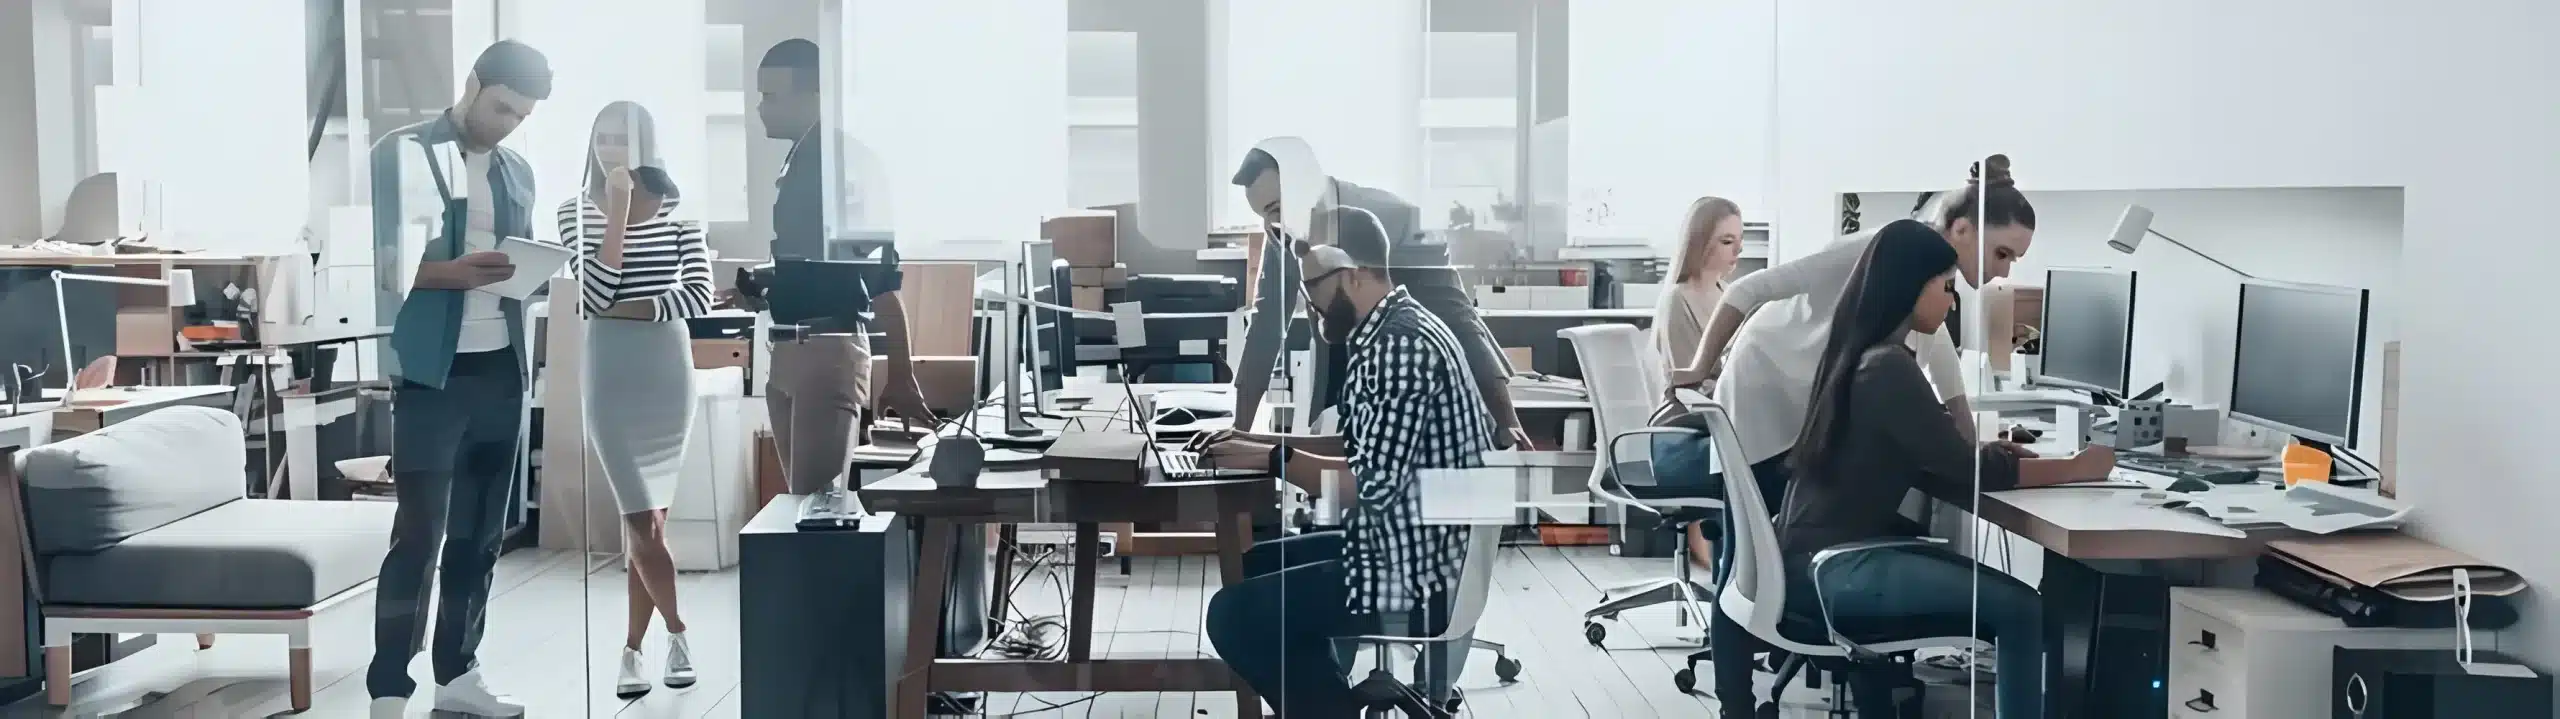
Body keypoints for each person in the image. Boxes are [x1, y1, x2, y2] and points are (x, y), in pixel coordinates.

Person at [1681, 155, 2039, 715]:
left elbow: (1945, 371)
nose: (2003, 272)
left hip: (1813, 409)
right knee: (1748, 563)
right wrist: (1699, 367)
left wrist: (1968, 450)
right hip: (1764, 394)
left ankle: (1869, 688)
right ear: (1962, 230)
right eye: (2001, 254)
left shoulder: (1924, 292)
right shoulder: (1881, 251)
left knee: (1815, 542)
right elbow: (1749, 290)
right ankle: (1735, 705)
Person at [1778, 219, 2112, 717]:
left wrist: (1997, 455)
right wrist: (2077, 467)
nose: (1952, 303)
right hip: (1839, 569)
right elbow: (1969, 472)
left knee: (2021, 606)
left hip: (1817, 561)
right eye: (1947, 288)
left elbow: (1935, 456)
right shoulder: (1888, 366)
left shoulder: (1863, 355)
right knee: (2023, 610)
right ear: (1911, 286)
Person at [1200, 207, 1495, 717]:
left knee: (1234, 614)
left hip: (1422, 575)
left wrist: (1271, 458)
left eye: (1313, 284)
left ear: (1354, 274)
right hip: (1416, 547)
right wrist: (1251, 440)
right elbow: (1361, 444)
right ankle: (1326, 702)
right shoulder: (1392, 329)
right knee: (1249, 567)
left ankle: (1327, 708)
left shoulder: (1400, 346)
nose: (1308, 300)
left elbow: (1365, 485)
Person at [364, 39, 551, 718]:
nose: (507, 125)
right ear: (472, 84)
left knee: (480, 537)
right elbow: (380, 266)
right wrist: (455, 274)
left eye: (520, 117)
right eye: (501, 107)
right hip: (430, 377)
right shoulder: (401, 154)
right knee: (419, 536)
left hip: (501, 369)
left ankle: (459, 675)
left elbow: (515, 265)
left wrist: (530, 273)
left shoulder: (518, 172)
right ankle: (389, 687)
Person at [724, 39, 933, 510]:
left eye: (771, 96)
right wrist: (760, 288)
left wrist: (901, 374)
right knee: (800, 505)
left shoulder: (843, 165)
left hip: (826, 350)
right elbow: (812, 267)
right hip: (787, 350)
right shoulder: (800, 158)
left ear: (814, 96)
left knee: (817, 510)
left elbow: (879, 279)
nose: (760, 108)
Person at [1225, 146, 1533, 451]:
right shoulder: (1282, 231)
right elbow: (1265, 329)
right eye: (1263, 215)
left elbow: (1456, 316)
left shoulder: (1398, 219)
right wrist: (1237, 435)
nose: (1271, 225)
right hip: (1342, 371)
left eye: (1276, 209)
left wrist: (1506, 421)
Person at [558, 101, 714, 699]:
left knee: (649, 526)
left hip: (667, 374)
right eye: (603, 138)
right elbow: (594, 291)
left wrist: (630, 310)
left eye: (623, 138)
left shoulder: (681, 211)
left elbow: (697, 296)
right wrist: (619, 211)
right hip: (611, 376)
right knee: (641, 520)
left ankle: (630, 651)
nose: (612, 150)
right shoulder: (574, 210)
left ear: (648, 143)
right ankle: (678, 632)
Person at [1650, 195, 1744, 571]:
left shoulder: (1729, 296)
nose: (1737, 250)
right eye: (1727, 241)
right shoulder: (1679, 299)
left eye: (1739, 241)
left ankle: (1740, 575)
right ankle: (1729, 575)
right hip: (1686, 425)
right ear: (1700, 242)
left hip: (1719, 418)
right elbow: (1691, 384)